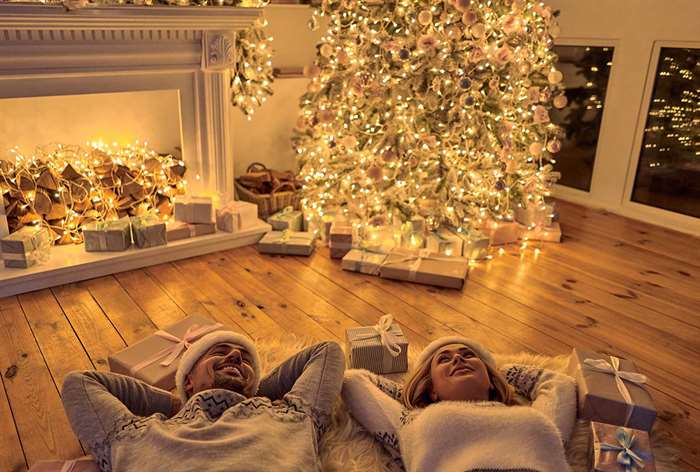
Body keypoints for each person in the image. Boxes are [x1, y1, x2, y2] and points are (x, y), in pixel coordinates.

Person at [61, 331, 345, 472]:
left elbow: (327, 351)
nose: (235, 357)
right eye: (220, 352)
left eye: (245, 360)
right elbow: (80, 383)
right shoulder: (139, 434)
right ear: (187, 379)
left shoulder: (293, 418)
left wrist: (251, 389)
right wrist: (179, 403)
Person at [342, 336, 576, 472]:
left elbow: (561, 384)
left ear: (491, 381)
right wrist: (408, 393)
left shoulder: (533, 416)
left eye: (469, 355)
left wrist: (503, 371)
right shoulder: (411, 421)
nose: (458, 358)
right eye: (444, 359)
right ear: (432, 389)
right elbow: (354, 381)